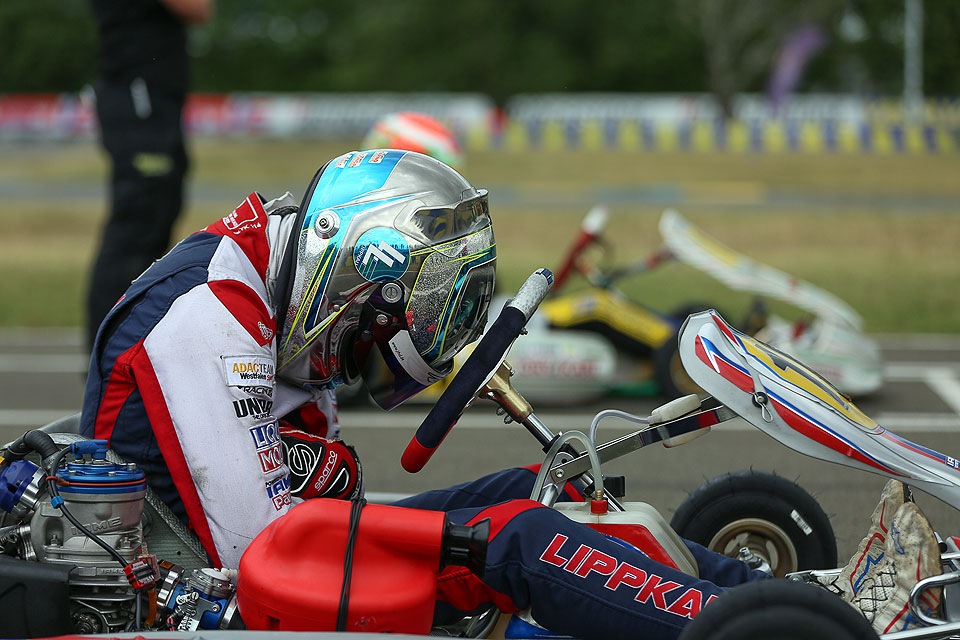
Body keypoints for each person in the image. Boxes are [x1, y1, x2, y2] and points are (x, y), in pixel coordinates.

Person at [80, 149, 941, 638]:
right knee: (517, 536)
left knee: (528, 498)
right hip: (201, 601)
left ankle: (808, 604)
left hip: (253, 565)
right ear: (353, 272)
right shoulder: (205, 317)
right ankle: (749, 634)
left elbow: (320, 490)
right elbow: (261, 551)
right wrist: (457, 551)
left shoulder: (264, 287)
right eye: (374, 329)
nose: (368, 355)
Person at [85, 0, 213, 352]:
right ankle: (108, 348)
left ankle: (132, 339)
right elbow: (197, 8)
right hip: (137, 91)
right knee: (137, 219)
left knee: (158, 212)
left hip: (152, 94)